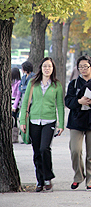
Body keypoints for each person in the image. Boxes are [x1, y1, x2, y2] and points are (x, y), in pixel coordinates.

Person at [19, 57, 64, 192]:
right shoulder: (33, 83)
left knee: (45, 148)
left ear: (53, 69)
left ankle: (48, 178)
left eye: (49, 66)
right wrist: (22, 121)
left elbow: (60, 105)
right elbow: (25, 101)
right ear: (41, 68)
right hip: (33, 121)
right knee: (37, 152)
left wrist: (61, 123)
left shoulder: (57, 85)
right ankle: (39, 180)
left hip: (49, 121)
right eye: (45, 66)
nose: (47, 68)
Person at [65, 55, 91, 190]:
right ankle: (78, 176)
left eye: (85, 66)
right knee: (75, 150)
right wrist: (78, 102)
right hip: (76, 121)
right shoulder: (73, 84)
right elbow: (68, 101)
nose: (83, 69)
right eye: (80, 67)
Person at [11, 67, 22, 142]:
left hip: (15, 104)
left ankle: (15, 137)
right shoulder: (12, 82)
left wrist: (14, 106)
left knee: (14, 118)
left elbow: (18, 95)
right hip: (11, 102)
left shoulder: (18, 83)